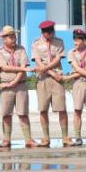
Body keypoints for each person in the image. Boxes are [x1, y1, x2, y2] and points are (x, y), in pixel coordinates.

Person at [31, 20, 67, 148]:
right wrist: (51, 73)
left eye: (52, 31)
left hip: (57, 79)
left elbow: (58, 59)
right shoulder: (36, 43)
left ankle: (65, 137)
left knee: (62, 109)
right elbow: (38, 62)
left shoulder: (59, 42)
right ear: (43, 32)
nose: (50, 34)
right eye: (47, 32)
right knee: (43, 109)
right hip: (43, 79)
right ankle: (46, 138)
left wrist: (50, 71)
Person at [0, 26, 30, 149]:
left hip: (20, 85)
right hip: (6, 86)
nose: (14, 39)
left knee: (23, 113)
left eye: (14, 36)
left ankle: (28, 139)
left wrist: (15, 81)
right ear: (4, 39)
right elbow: (4, 67)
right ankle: (6, 139)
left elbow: (24, 67)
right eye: (11, 37)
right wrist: (21, 69)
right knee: (6, 114)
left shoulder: (21, 49)